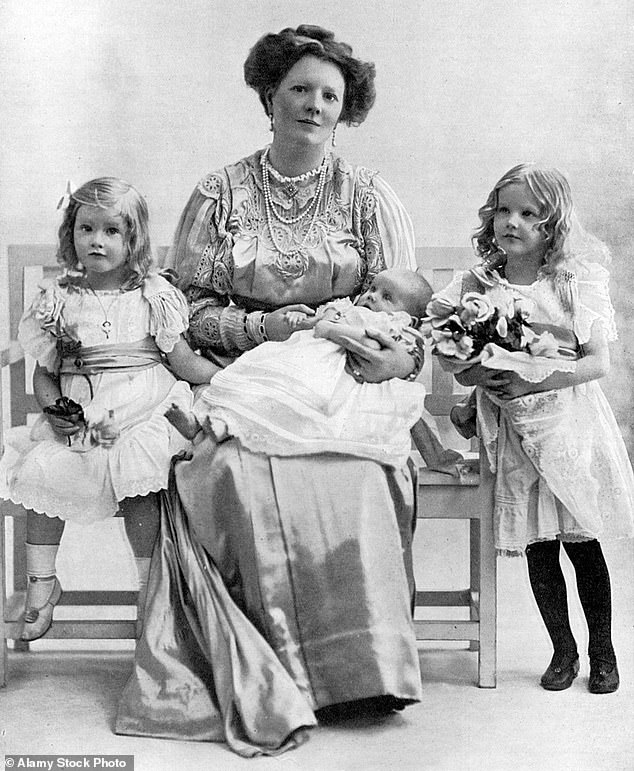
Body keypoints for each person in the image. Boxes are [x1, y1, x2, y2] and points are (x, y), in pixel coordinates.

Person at [116, 25, 427, 758]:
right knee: (231, 470)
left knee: (356, 473)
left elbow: (411, 317)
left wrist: (382, 358)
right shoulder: (218, 193)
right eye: (299, 90)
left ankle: (364, 672)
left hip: (342, 386)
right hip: (237, 378)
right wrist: (268, 325)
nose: (314, 106)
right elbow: (182, 310)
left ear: (345, 109)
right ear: (269, 97)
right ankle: (273, 672)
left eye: (330, 95)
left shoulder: (370, 195)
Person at [433, 163, 634, 695]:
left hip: (565, 425)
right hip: (512, 432)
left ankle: (602, 649)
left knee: (580, 539)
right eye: (504, 209)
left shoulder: (571, 280)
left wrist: (532, 383)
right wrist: (477, 384)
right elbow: (454, 344)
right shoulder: (479, 284)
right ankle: (562, 649)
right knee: (538, 544)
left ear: (553, 224)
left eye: (529, 213)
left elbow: (596, 363)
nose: (512, 222)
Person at [0, 177, 218, 641]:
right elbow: (45, 370)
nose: (96, 240)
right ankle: (41, 586)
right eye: (86, 228)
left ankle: (150, 595)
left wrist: (222, 376)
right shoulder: (58, 297)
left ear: (133, 238)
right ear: (71, 233)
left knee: (138, 473)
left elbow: (180, 360)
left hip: (142, 410)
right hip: (83, 420)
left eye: (111, 231)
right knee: (41, 469)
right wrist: (52, 406)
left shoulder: (153, 295)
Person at [165, 268, 462, 472]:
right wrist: (302, 321)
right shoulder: (349, 308)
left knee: (284, 408)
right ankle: (205, 425)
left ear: (404, 316)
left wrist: (330, 328)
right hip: (298, 365)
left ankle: (216, 429)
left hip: (340, 383)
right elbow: (314, 323)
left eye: (387, 297)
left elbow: (374, 347)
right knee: (252, 388)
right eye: (372, 288)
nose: (371, 296)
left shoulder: (390, 326)